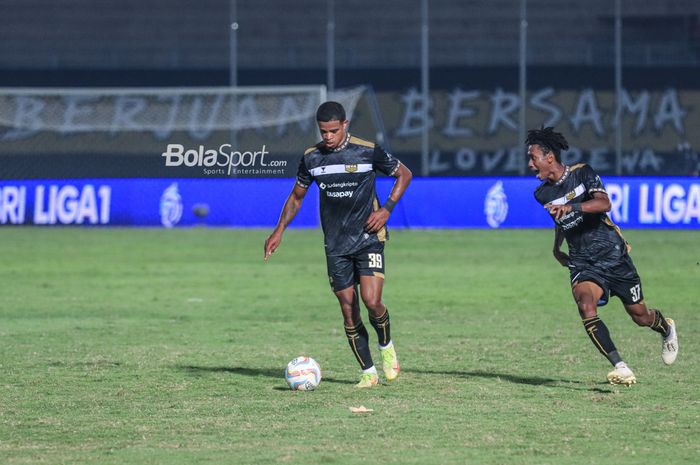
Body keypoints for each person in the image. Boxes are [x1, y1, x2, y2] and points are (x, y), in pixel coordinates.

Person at [264, 101, 412, 388]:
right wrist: (278, 230)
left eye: (333, 130)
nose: (328, 137)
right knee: (348, 308)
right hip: (335, 244)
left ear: (345, 125)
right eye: (323, 132)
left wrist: (386, 210)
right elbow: (296, 197)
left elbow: (403, 174)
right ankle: (368, 372)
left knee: (371, 301)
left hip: (369, 238)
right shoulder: (311, 158)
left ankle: (386, 347)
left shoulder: (367, 150)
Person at [526, 127, 678, 386]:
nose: (530, 164)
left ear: (549, 157)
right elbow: (560, 220)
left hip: (612, 254)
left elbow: (604, 203)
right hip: (582, 260)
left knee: (640, 316)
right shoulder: (542, 193)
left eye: (533, 158)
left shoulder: (583, 172)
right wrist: (556, 248)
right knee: (586, 306)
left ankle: (666, 327)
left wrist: (571, 205)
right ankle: (621, 367)